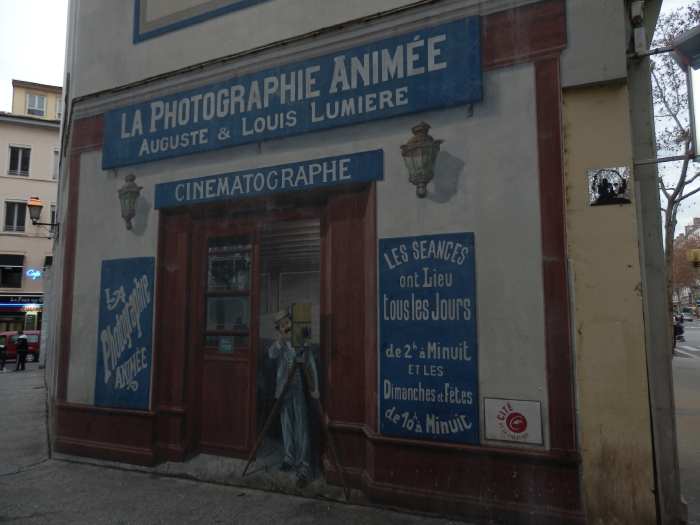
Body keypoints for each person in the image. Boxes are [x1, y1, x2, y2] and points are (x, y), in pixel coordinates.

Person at [268, 308, 319, 488]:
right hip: (283, 390)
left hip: (298, 389)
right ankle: (289, 458)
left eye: (287, 323)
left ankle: (304, 466)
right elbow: (271, 354)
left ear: (292, 323)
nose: (286, 327)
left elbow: (310, 364)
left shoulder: (301, 341)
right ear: (279, 329)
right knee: (286, 424)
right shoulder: (279, 345)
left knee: (301, 426)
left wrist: (315, 388)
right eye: (282, 326)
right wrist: (280, 342)